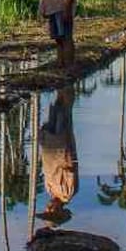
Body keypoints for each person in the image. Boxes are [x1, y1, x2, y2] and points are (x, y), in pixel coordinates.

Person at [36, 84, 78, 227]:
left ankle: (62, 85)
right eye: (50, 210)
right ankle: (68, 83)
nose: (47, 207)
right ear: (58, 211)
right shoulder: (67, 192)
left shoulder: (50, 190)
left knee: (55, 110)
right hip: (60, 146)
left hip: (49, 147)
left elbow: (47, 168)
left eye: (46, 209)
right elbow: (70, 165)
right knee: (63, 114)